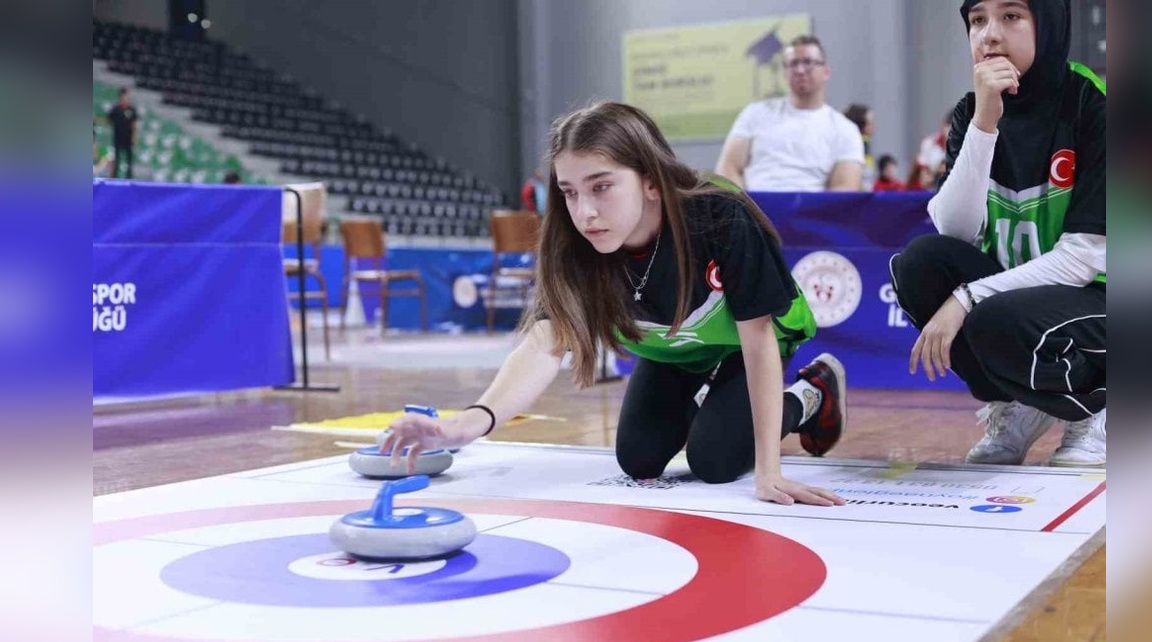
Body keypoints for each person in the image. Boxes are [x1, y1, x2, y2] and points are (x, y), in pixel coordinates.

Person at [383, 101, 848, 506]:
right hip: (674, 352)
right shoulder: (573, 242)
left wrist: (769, 471)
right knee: (639, 459)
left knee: (717, 460)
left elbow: (756, 338)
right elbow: (545, 343)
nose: (584, 211)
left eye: (601, 186)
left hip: (746, 347)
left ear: (650, 181)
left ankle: (811, 393)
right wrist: (470, 423)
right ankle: (715, 407)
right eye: (568, 192)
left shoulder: (719, 215)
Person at [889, 0, 1106, 467]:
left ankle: (1102, 405)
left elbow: (1084, 257)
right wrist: (984, 124)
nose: (989, 35)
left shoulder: (1096, 105)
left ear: (1046, 23)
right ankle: (1017, 405)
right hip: (1027, 297)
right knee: (921, 265)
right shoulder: (973, 110)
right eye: (977, 20)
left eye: (1011, 17)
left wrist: (968, 297)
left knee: (991, 313)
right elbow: (954, 231)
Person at [715, 36, 864, 192]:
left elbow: (844, 189)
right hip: (753, 210)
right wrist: (743, 209)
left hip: (811, 213)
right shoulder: (754, 114)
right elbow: (728, 168)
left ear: (826, 72)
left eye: (808, 62)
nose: (800, 70)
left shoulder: (846, 130)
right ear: (785, 73)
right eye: (793, 64)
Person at [106, 87, 138, 179]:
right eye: (123, 97)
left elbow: (135, 125)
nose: (125, 98)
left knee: (129, 161)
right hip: (117, 138)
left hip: (128, 139)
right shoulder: (115, 109)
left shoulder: (132, 109)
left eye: (126, 97)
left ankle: (129, 179)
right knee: (117, 159)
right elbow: (108, 119)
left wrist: (134, 138)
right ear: (120, 97)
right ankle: (113, 178)